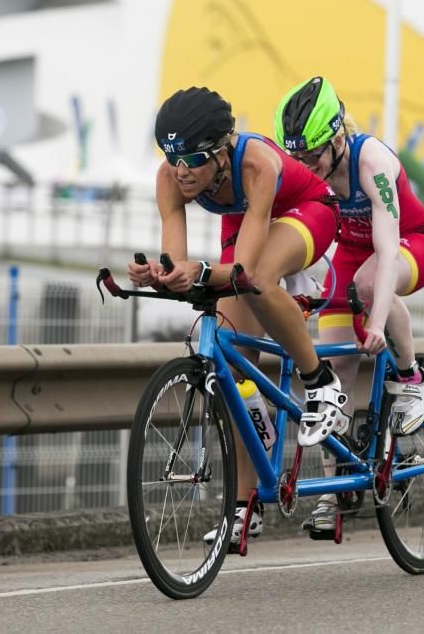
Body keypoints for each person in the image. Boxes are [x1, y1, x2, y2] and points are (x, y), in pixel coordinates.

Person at [127, 87, 345, 546]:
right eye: (172, 159)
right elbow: (177, 259)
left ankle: (321, 382)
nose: (182, 172)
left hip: (306, 211)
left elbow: (244, 272)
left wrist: (200, 271)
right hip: (246, 220)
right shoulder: (171, 176)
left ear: (222, 151)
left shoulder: (255, 164)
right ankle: (248, 504)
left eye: (193, 159)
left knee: (259, 279)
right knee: (231, 367)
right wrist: (160, 274)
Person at [273, 76, 424, 534]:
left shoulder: (372, 161)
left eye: (314, 155)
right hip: (351, 256)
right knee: (331, 378)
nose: (307, 166)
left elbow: (387, 252)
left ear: (338, 136)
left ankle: (411, 377)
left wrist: (376, 323)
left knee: (370, 285)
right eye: (299, 158)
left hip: (411, 243)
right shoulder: (308, 165)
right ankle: (333, 497)